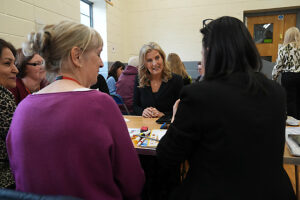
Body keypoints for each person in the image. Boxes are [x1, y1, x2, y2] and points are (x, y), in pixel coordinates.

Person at [156, 16, 295, 200]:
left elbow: (167, 155)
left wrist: (174, 119)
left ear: (210, 52)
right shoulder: (276, 93)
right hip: (274, 192)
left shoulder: (198, 95)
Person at [6, 21, 144, 199]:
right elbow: (132, 182)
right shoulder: (101, 104)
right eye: (98, 53)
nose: (102, 63)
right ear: (77, 56)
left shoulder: (22, 109)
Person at [133, 42, 183, 118]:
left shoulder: (176, 80)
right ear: (144, 64)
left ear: (162, 58)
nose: (155, 63)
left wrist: (163, 115)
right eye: (149, 60)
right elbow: (135, 106)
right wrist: (142, 112)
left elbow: (182, 109)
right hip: (146, 127)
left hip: (168, 126)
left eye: (157, 58)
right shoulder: (139, 80)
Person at [0, 39, 18, 189]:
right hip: (6, 182)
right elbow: (18, 142)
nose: (15, 69)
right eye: (7, 63)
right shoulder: (3, 97)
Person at [272, 27, 300, 119]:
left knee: (290, 101)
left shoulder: (283, 49)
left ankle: (293, 124)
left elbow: (279, 65)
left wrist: (274, 77)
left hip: (289, 77)